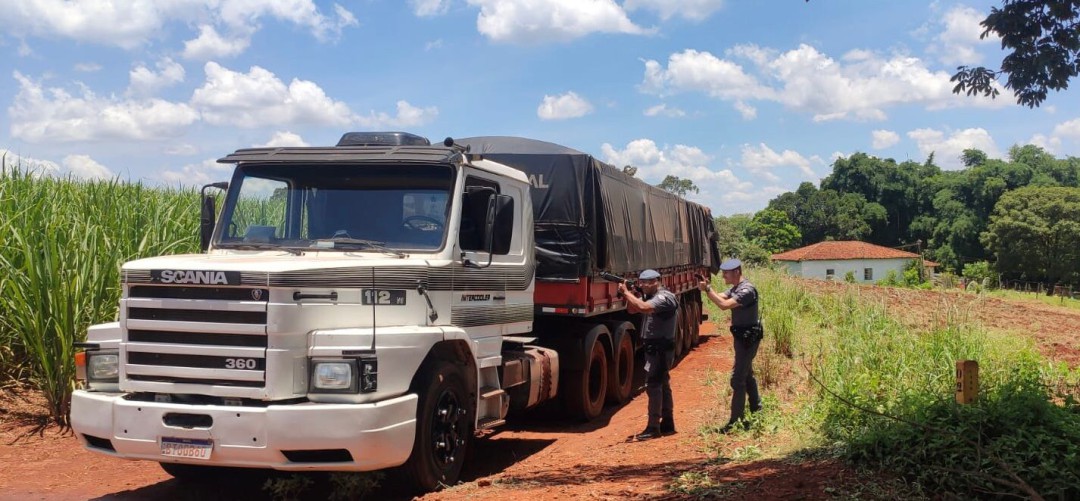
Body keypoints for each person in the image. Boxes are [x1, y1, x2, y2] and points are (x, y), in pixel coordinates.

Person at [698, 258, 762, 432]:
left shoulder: (746, 290)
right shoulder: (736, 288)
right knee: (746, 374)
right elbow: (721, 297)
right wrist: (707, 289)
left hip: (748, 339)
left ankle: (736, 422)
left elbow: (724, 305)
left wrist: (708, 290)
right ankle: (757, 410)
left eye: (726, 273)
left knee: (738, 379)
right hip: (742, 338)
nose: (724, 275)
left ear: (737, 272)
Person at [619, 269, 679, 440]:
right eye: (642, 282)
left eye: (649, 282)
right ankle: (667, 423)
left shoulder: (664, 297)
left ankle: (653, 427)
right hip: (655, 347)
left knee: (653, 385)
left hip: (660, 348)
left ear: (658, 281)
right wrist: (629, 294)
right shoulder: (649, 297)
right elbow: (632, 310)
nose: (644, 285)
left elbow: (643, 308)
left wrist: (625, 292)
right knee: (663, 384)